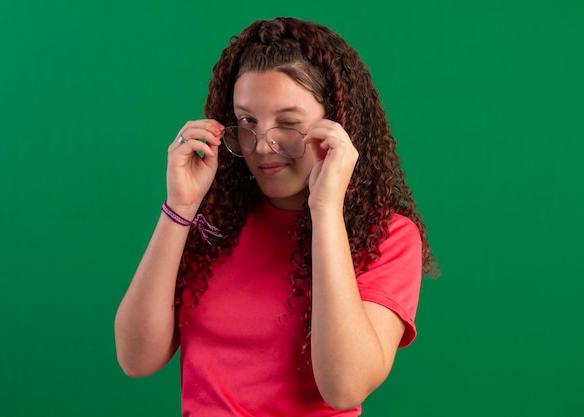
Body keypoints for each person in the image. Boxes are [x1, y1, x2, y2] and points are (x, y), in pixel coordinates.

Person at [115, 16, 437, 416]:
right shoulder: (216, 222)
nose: (263, 146)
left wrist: (326, 212)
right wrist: (180, 208)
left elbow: (345, 387)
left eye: (287, 124)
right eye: (247, 122)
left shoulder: (386, 237)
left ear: (336, 125)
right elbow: (135, 358)